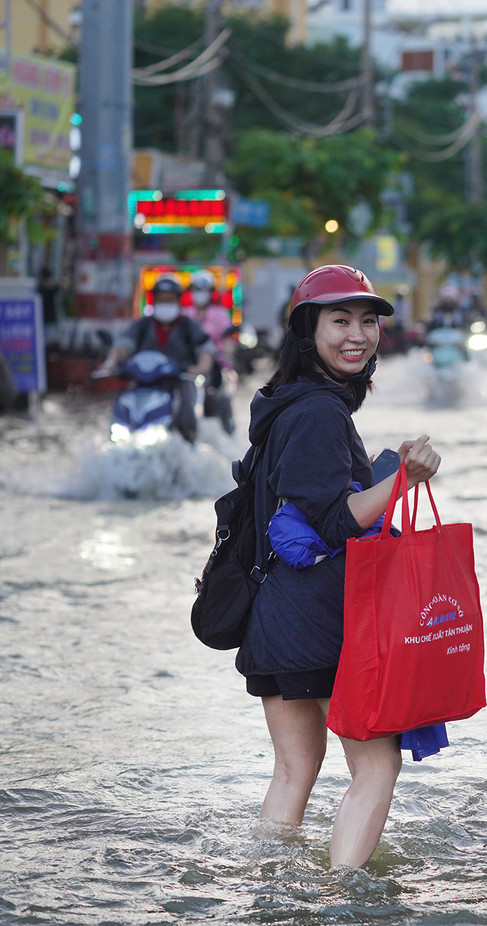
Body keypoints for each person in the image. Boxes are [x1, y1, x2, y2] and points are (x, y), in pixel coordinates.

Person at [234, 264, 441, 868]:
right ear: (307, 331)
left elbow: (307, 502)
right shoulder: (319, 412)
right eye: (340, 320)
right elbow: (332, 522)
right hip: (318, 619)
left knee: (294, 768)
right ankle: (344, 896)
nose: (358, 334)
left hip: (272, 617)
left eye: (368, 321)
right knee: (377, 764)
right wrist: (403, 480)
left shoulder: (281, 404)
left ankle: (270, 884)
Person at [97, 276, 215, 442]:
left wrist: (200, 368)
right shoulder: (143, 324)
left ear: (178, 301)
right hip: (145, 381)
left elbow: (205, 350)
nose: (165, 304)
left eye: (169, 300)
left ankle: (189, 436)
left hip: (177, 380)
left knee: (187, 394)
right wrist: (110, 362)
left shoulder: (188, 326)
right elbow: (124, 345)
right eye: (161, 300)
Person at [184, 269, 237, 435]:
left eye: (203, 290)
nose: (199, 294)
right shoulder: (185, 314)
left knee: (222, 397)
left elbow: (228, 342)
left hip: (214, 368)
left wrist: (224, 355)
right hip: (188, 366)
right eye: (196, 289)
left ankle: (226, 428)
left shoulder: (219, 314)